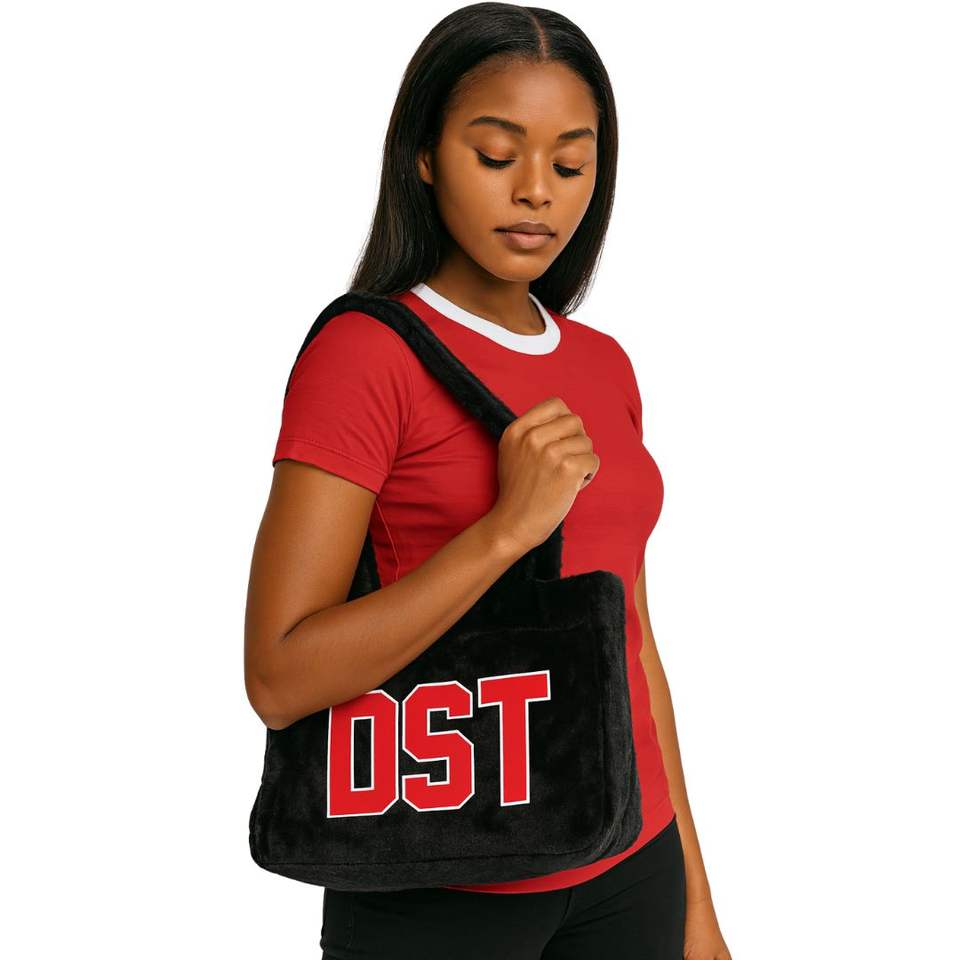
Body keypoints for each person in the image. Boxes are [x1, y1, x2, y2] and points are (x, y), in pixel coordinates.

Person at [244, 3, 732, 958]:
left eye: (571, 165)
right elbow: (279, 676)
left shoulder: (604, 364)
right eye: (497, 155)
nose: (537, 192)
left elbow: (631, 644)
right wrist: (508, 530)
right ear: (424, 156)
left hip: (633, 859)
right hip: (440, 874)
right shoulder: (366, 354)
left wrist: (696, 900)